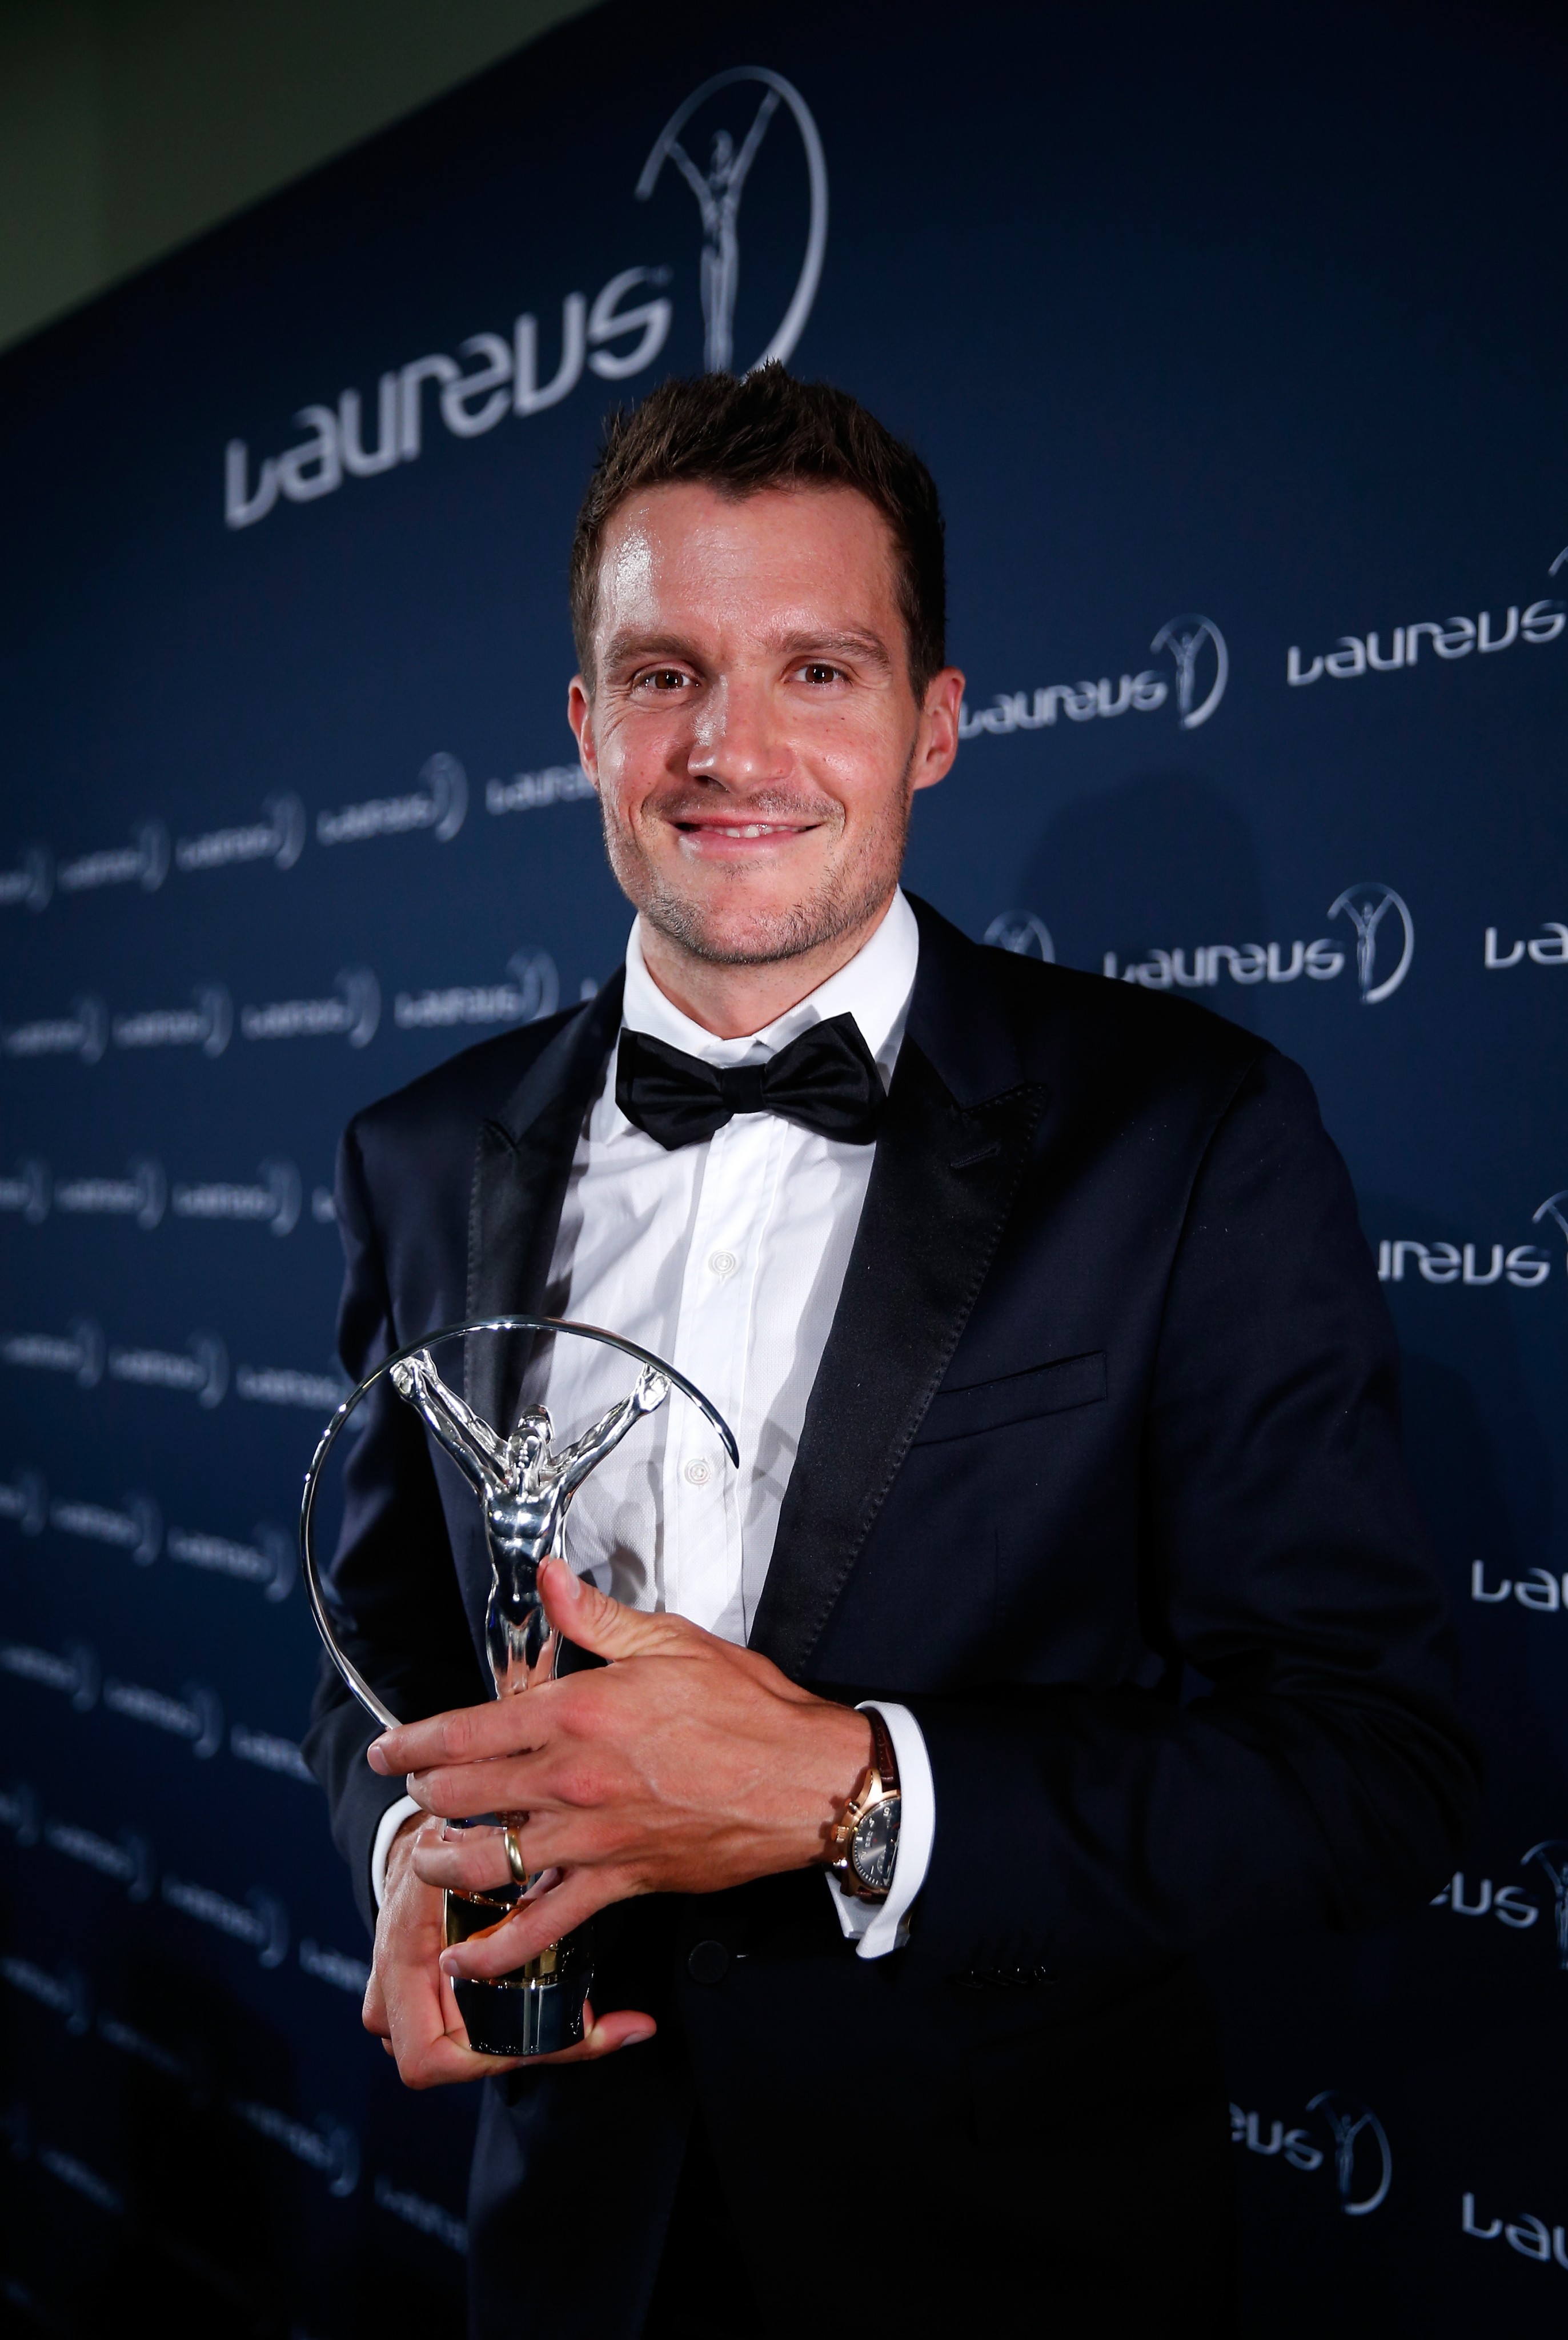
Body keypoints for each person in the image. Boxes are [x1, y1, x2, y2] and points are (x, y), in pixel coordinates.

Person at [304, 365, 1478, 2338]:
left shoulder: (1187, 1133)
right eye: (664, 676)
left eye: (817, 670)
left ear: (932, 723)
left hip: (1008, 2256)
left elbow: (1371, 1770)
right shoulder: (418, 1153)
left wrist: (853, 1792)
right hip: (570, 2237)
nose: (729, 748)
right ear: (586, 728)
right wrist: (414, 1843)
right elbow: (382, 1643)